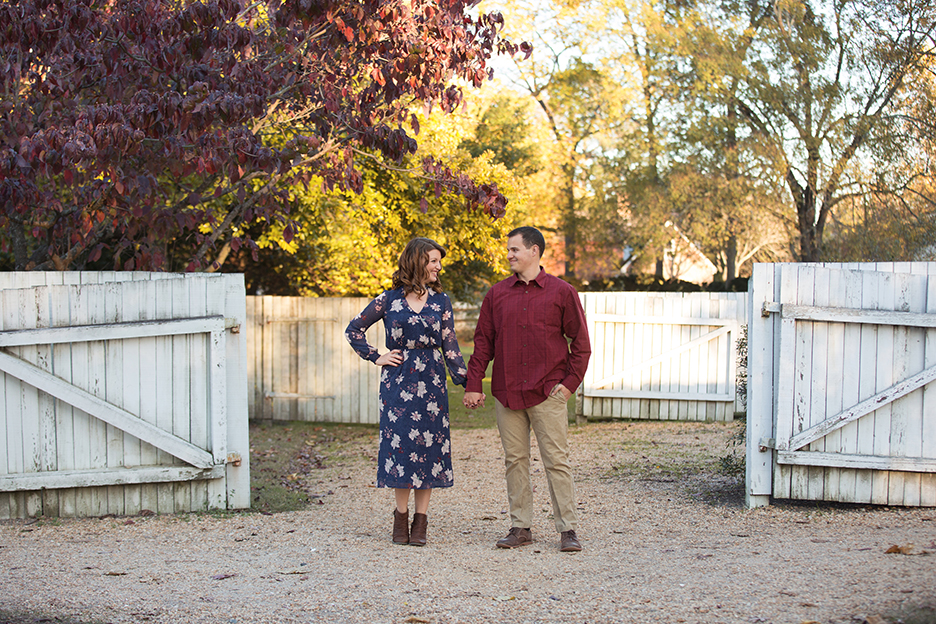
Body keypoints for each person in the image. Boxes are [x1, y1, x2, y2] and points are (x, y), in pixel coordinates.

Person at [463, 226, 591, 552]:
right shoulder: (497, 294)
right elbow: (482, 344)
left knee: (556, 461)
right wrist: (474, 385)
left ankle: (568, 530)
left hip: (547, 391)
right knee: (514, 460)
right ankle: (521, 527)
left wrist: (568, 385)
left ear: (534, 251)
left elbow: (581, 344)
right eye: (508, 250)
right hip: (508, 393)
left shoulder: (562, 292)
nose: (509, 255)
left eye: (514, 250)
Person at [346, 237, 468, 547]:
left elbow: (451, 346)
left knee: (428, 449)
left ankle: (421, 522)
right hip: (397, 384)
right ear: (416, 262)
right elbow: (354, 330)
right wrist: (377, 356)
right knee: (401, 448)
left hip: (431, 382)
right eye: (433, 261)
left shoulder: (441, 302)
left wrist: (469, 382)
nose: (438, 267)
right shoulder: (388, 300)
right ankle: (400, 517)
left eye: (439, 261)